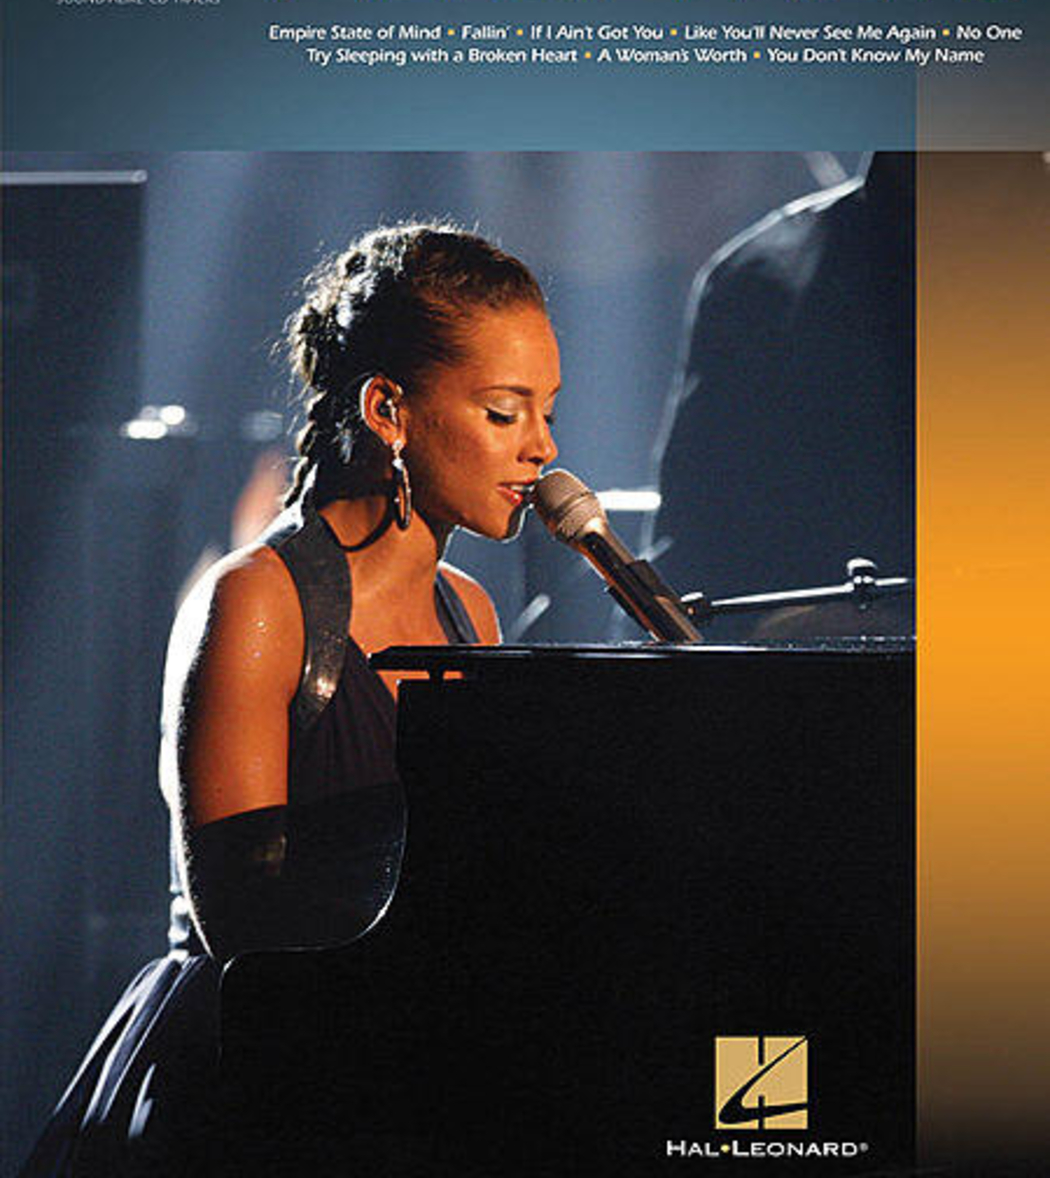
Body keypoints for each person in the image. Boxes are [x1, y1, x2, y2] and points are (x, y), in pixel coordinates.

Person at [21, 222, 561, 1177]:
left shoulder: (469, 609)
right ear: (388, 409)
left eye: (545, 413)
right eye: (503, 412)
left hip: (411, 1056)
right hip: (261, 1075)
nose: (543, 448)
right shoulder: (257, 601)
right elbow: (244, 920)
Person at [647, 152, 914, 640]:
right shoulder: (760, 279)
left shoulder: (759, 272)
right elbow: (694, 559)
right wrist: (776, 628)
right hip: (823, 677)